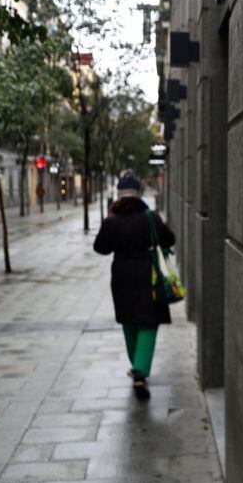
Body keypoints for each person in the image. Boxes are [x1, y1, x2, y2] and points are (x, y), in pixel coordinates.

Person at [93, 171, 176, 401]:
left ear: (119, 197)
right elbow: (170, 239)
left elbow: (100, 248)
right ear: (139, 195)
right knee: (148, 323)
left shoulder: (112, 221)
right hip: (147, 275)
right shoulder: (150, 217)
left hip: (121, 277)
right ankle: (140, 370)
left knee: (129, 322)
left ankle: (136, 367)